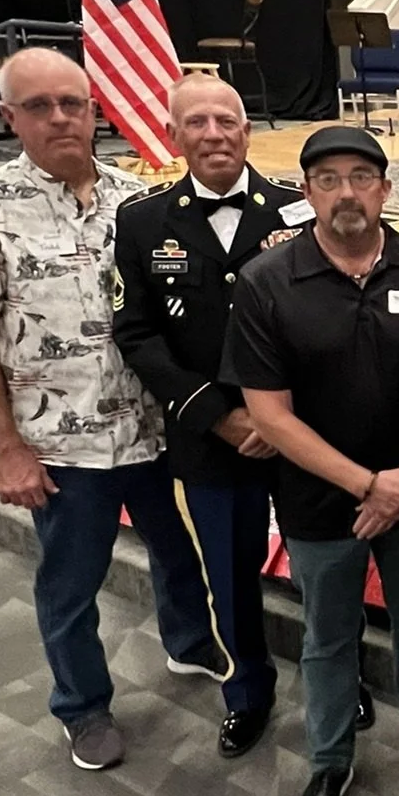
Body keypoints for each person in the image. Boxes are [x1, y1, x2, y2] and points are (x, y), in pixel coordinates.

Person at [0, 47, 220, 773]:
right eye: (39, 106)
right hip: (61, 445)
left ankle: (188, 645)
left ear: (95, 111)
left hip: (151, 427)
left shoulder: (140, 203)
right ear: (8, 117)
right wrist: (5, 448)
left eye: (73, 104)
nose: (60, 118)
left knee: (178, 552)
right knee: (70, 583)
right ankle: (82, 707)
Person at [228, 125, 399, 796]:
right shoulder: (267, 281)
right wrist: (370, 484)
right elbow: (269, 416)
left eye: (361, 177)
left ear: (383, 188)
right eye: (328, 179)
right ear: (306, 193)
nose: (346, 193)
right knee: (327, 636)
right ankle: (330, 763)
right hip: (316, 499)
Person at [112, 74, 310, 757]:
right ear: (173, 136)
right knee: (229, 574)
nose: (214, 134)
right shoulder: (141, 221)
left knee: (320, 568)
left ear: (248, 130)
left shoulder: (297, 211)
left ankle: (335, 674)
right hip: (209, 435)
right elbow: (137, 333)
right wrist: (218, 416)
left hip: (302, 432)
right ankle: (247, 692)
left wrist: (279, 417)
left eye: (227, 121)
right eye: (196, 123)